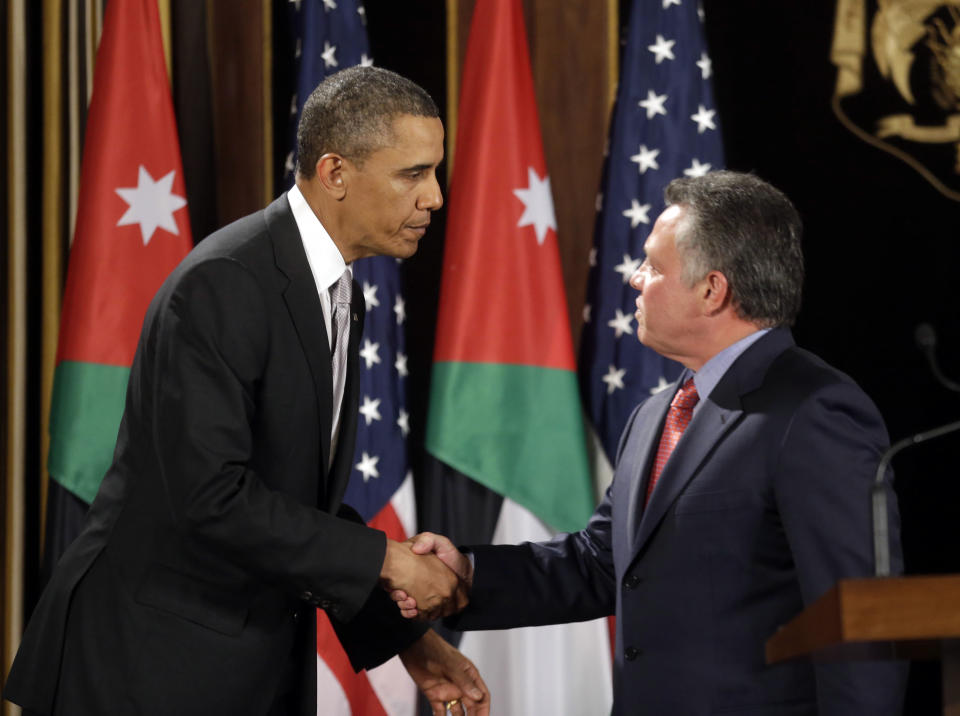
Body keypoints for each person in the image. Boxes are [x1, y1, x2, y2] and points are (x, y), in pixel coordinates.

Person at [5, 66, 485, 716]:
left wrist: (408, 641)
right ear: (336, 172)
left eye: (434, 173)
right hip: (145, 673)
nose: (434, 197)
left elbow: (292, 500)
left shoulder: (339, 290)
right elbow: (212, 497)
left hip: (238, 667)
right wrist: (388, 562)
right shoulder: (225, 284)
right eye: (413, 174)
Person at [395, 171, 907, 715]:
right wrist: (469, 573)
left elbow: (859, 622)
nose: (636, 280)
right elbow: (601, 563)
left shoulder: (814, 410)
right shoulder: (656, 413)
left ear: (713, 290)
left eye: (654, 268)